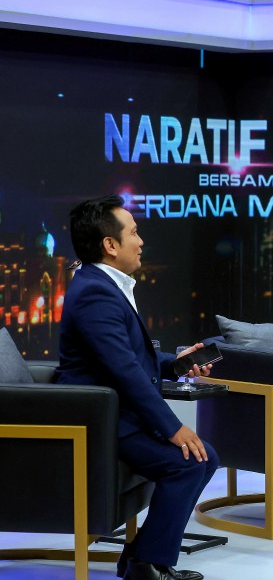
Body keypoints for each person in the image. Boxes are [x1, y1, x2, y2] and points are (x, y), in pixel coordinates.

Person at [56, 195, 219, 580]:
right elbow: (124, 371)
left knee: (202, 459)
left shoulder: (104, 284)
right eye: (134, 232)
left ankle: (143, 557)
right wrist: (173, 427)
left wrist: (179, 365)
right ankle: (147, 563)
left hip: (113, 411)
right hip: (100, 420)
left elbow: (131, 358)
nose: (141, 240)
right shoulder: (95, 291)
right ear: (110, 245)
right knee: (192, 462)